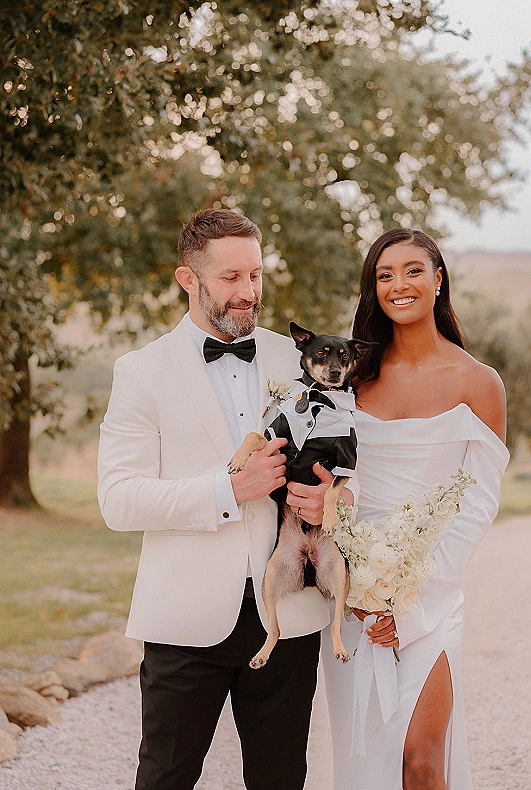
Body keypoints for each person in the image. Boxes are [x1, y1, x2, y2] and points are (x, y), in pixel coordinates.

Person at [97, 208, 338, 790]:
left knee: (281, 780)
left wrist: (333, 494)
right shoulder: (141, 372)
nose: (248, 292)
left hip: (289, 615)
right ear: (188, 278)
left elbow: (342, 453)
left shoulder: (300, 361)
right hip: (184, 620)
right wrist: (227, 490)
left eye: (255, 276)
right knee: (165, 778)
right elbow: (118, 500)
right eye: (231, 278)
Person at [321, 228, 509, 790]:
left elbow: (478, 504)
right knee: (364, 762)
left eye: (412, 270)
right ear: (372, 289)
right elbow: (338, 477)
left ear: (437, 278)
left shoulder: (478, 382)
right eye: (384, 275)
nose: (398, 285)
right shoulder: (352, 381)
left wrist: (411, 599)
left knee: (421, 759)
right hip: (352, 598)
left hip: (431, 592)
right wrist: (352, 579)